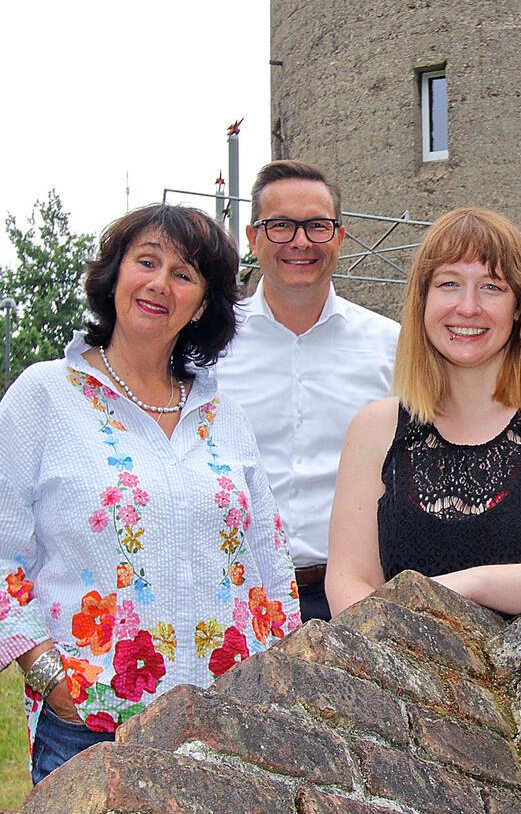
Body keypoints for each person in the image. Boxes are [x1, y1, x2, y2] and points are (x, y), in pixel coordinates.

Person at [0, 205, 299, 783]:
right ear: (115, 275)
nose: (161, 283)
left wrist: (275, 686)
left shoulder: (225, 417)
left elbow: (270, 563)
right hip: (89, 729)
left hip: (227, 732)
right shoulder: (43, 397)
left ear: (203, 305)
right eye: (147, 261)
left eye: (184, 274)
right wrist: (47, 677)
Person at [324, 207, 521, 616]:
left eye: (491, 287)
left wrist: (471, 585)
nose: (468, 307)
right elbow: (348, 580)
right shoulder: (373, 428)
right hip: (406, 669)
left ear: (519, 307)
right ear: (422, 302)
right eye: (449, 284)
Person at [216, 161, 399, 622]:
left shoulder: (393, 348)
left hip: (356, 602)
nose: (300, 242)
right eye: (280, 226)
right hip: (230, 598)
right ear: (252, 238)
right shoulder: (208, 350)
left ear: (340, 236)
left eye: (317, 226)